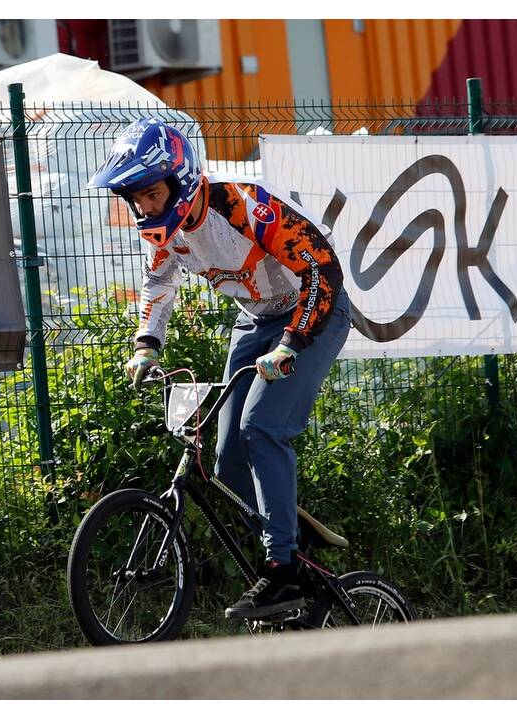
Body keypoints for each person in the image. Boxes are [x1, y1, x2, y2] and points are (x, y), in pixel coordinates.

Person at [87, 118, 350, 620]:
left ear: (180, 180)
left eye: (151, 193)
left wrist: (292, 343)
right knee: (224, 460)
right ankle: (292, 552)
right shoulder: (167, 233)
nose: (143, 207)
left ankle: (279, 571)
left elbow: (322, 269)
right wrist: (147, 344)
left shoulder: (242, 205)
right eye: (135, 198)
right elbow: (159, 286)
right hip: (255, 322)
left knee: (262, 427)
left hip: (312, 315)